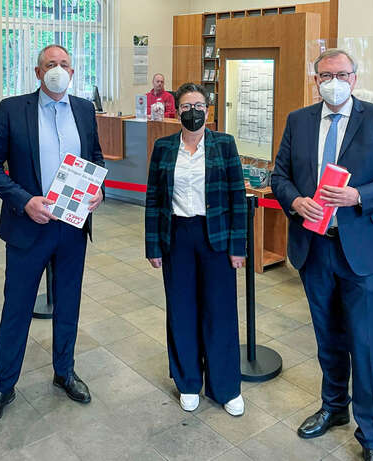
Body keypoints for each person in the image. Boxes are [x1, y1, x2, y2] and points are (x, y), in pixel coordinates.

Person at [271, 49, 373, 461]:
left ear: (354, 78)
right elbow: (279, 176)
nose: (333, 81)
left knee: (365, 345)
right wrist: (295, 201)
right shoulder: (299, 121)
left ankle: (372, 437)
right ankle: (334, 407)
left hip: (361, 254)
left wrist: (358, 196)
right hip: (314, 248)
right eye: (324, 75)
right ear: (315, 80)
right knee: (328, 339)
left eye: (341, 74)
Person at [0, 44, 105, 430]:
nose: (58, 70)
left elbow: (96, 157)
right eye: (51, 64)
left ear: (73, 72)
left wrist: (98, 189)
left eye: (65, 64)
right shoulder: (13, 109)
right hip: (27, 227)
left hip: (71, 228)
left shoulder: (84, 109)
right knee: (16, 308)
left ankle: (64, 371)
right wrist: (23, 200)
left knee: (68, 303)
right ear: (37, 72)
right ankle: (4, 386)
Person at [145, 82, 247, 416]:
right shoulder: (163, 147)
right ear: (176, 110)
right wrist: (153, 246)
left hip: (215, 235)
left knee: (220, 311)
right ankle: (188, 381)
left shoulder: (224, 145)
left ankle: (225, 386)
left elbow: (237, 199)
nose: (194, 111)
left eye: (199, 105)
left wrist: (237, 246)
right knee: (181, 309)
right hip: (176, 236)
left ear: (208, 109)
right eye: (187, 106)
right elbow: (154, 199)